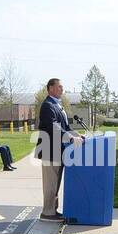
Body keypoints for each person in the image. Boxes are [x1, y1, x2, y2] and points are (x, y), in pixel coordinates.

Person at [37, 77, 80, 221]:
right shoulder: (48, 105)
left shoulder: (57, 105)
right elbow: (54, 127)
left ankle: (53, 210)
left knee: (55, 183)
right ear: (50, 88)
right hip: (50, 150)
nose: (62, 89)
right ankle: (47, 213)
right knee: (50, 183)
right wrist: (70, 138)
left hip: (59, 151)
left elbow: (65, 127)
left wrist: (77, 135)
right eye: (59, 87)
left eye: (62, 87)